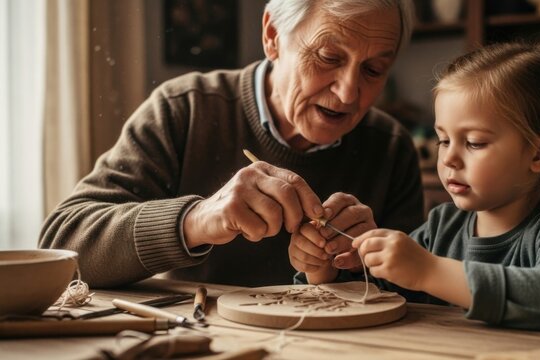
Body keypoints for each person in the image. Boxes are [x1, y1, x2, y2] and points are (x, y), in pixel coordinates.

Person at [39, 0, 424, 288]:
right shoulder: (183, 109)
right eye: (328, 57)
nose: (347, 93)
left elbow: (418, 302)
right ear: (272, 37)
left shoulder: (390, 146)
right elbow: (62, 247)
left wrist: (367, 264)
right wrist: (197, 219)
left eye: (373, 69)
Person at [291, 42, 540, 331]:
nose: (449, 159)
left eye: (474, 143)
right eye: (444, 140)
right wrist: (325, 270)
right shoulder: (442, 227)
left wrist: (429, 271)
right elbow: (374, 297)